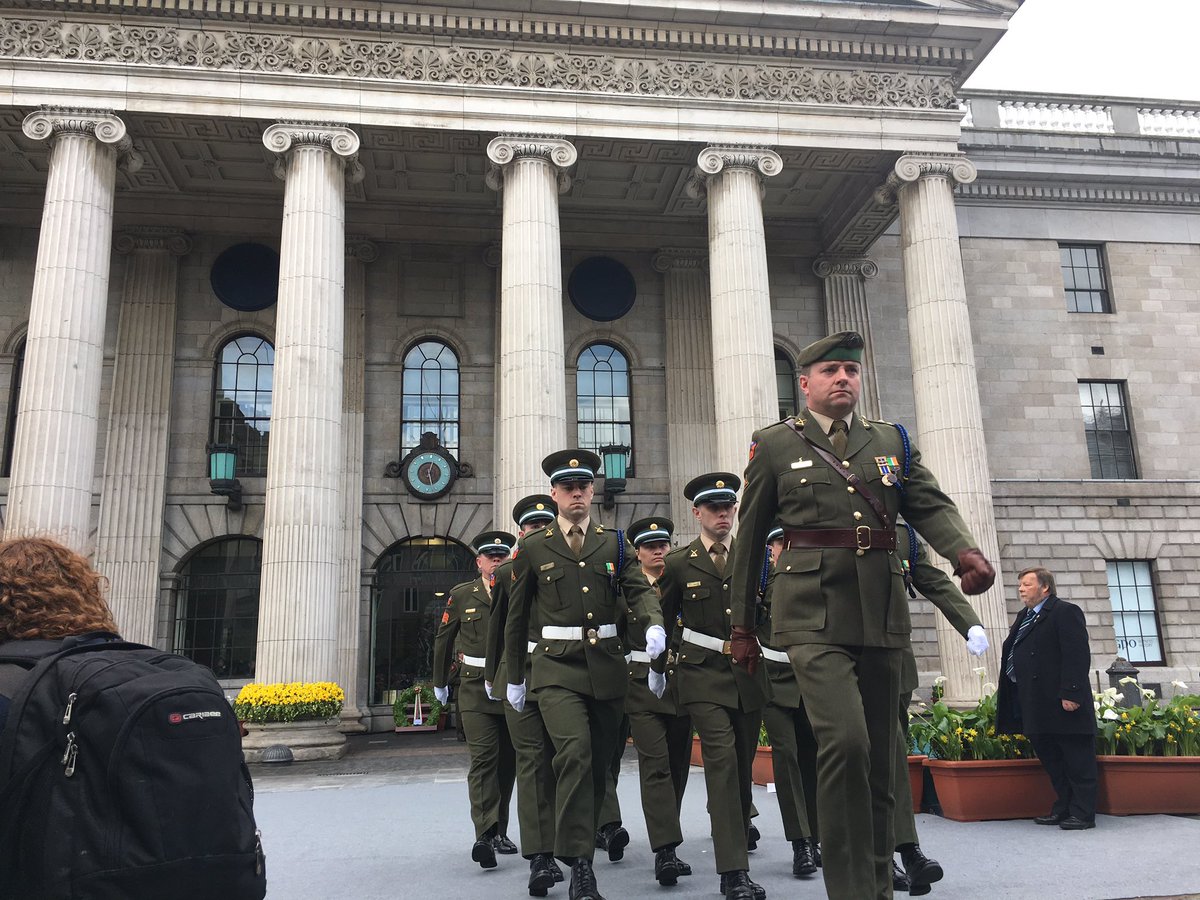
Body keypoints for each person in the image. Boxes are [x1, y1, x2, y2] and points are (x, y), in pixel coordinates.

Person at [729, 330, 996, 900]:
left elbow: (927, 502)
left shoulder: (891, 441)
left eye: (850, 370)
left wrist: (963, 551)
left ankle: (877, 884)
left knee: (881, 754)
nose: (843, 378)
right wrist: (742, 628)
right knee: (846, 743)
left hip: (881, 615)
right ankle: (850, 888)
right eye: (830, 371)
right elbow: (748, 542)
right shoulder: (775, 445)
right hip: (809, 617)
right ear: (805, 383)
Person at [504, 450, 666, 900]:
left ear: (592, 492)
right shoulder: (534, 548)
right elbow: (516, 620)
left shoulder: (613, 543)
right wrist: (516, 676)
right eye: (568, 487)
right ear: (554, 494)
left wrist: (653, 623)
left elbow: (638, 590)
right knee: (573, 752)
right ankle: (580, 866)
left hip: (607, 670)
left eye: (584, 486)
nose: (577, 493)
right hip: (555, 670)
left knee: (599, 765)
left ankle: (579, 846)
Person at [656, 473, 769, 900]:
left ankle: (736, 848)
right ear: (697, 513)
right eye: (714, 508)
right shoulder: (680, 563)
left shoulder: (753, 558)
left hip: (748, 674)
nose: (723, 514)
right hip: (700, 674)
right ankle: (733, 873)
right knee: (720, 760)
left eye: (728, 507)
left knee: (741, 769)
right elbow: (663, 621)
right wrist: (656, 668)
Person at [890, 523, 989, 896]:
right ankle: (879, 854)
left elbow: (930, 578)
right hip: (838, 661)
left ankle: (907, 849)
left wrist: (970, 623)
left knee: (893, 755)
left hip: (892, 662)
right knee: (854, 754)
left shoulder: (903, 535)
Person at [484, 495, 565, 896]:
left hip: (560, 675)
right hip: (519, 677)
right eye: (532, 528)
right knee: (532, 762)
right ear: (522, 532)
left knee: (560, 760)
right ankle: (540, 856)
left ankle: (565, 842)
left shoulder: (566, 566)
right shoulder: (506, 573)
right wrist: (493, 676)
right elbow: (499, 629)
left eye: (544, 525)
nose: (538, 533)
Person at [433, 530, 519, 869]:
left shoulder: (515, 588)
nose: (496, 561)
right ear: (479, 562)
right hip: (473, 689)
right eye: (490, 557)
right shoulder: (462, 595)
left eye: (501, 556)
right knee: (484, 760)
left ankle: (500, 830)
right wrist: (440, 682)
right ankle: (484, 833)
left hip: (510, 685)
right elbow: (444, 639)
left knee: (508, 764)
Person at [621, 516, 693, 887]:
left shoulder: (683, 583)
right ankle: (664, 850)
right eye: (651, 546)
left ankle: (670, 839)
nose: (659, 551)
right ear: (638, 553)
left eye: (663, 544)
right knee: (656, 765)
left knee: (679, 765)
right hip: (641, 687)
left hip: (683, 685)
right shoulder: (627, 590)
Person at [997, 566, 1097, 830]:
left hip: (1062, 701)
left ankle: (1083, 813)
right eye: (1020, 584)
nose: (1020, 589)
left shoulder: (1065, 612)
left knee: (1076, 759)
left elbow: (1076, 655)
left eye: (1027, 584)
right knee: (1052, 759)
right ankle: (1063, 807)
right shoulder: (1024, 616)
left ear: (1045, 587)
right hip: (1034, 702)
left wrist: (1072, 693)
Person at [757, 525, 820, 881]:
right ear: (771, 549)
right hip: (774, 682)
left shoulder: (813, 576)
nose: (785, 547)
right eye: (779, 541)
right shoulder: (762, 580)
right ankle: (801, 843)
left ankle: (819, 836)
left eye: (789, 540)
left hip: (811, 683)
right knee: (786, 757)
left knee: (813, 758)